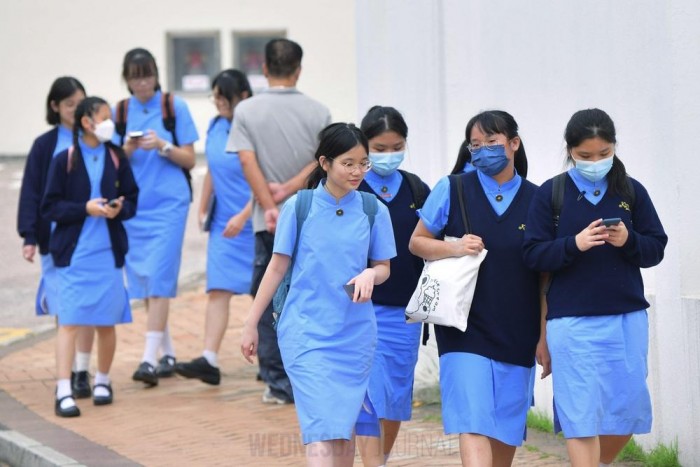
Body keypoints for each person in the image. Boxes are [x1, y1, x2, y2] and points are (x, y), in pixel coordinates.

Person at [241, 123, 396, 467]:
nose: (358, 171)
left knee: (343, 434)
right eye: (348, 163)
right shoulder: (299, 207)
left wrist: (372, 273)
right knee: (322, 432)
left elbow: (383, 266)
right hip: (305, 333)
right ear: (325, 163)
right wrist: (251, 323)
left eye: (363, 163)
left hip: (355, 335)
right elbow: (276, 268)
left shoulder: (374, 211)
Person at [523, 108, 667, 466]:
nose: (595, 162)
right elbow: (534, 255)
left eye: (603, 154)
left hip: (627, 320)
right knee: (580, 417)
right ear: (570, 150)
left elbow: (656, 249)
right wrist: (576, 244)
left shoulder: (631, 191)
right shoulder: (550, 193)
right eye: (585, 156)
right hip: (571, 323)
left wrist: (628, 240)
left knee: (627, 410)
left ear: (614, 147)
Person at [409, 110, 545, 466]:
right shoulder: (452, 189)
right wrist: (454, 247)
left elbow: (546, 276)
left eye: (492, 142)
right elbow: (418, 242)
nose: (483, 150)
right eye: (475, 144)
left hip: (519, 328)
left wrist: (544, 336)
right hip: (462, 327)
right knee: (472, 420)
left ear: (514, 144)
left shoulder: (538, 199)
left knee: (505, 428)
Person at [227, 38, 331, 404]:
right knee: (310, 292)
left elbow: (246, 161)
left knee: (269, 295)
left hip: (266, 220)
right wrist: (289, 190)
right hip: (311, 215)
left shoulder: (246, 111)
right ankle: (308, 373)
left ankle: (278, 382)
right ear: (299, 69)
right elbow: (324, 162)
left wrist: (270, 203)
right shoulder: (319, 112)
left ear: (265, 69)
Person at [41, 96, 138, 417]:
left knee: (106, 322)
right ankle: (63, 389)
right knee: (69, 321)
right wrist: (84, 208)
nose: (111, 122)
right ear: (87, 122)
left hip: (107, 255)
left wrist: (119, 208)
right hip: (74, 256)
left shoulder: (115, 156)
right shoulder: (64, 159)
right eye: (105, 117)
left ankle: (103, 381)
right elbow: (50, 207)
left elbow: (132, 198)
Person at [114, 48, 199, 387]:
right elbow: (110, 161)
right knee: (147, 280)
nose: (142, 83)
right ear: (127, 79)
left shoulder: (173, 107)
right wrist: (127, 150)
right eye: (135, 76)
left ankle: (148, 359)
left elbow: (190, 159)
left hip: (169, 206)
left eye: (147, 74)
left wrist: (163, 146)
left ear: (156, 74)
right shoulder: (119, 111)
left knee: (160, 276)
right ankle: (167, 352)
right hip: (135, 207)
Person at [356, 106, 430, 464]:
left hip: (405, 312)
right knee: (369, 395)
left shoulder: (418, 189)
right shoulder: (352, 187)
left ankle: (380, 458)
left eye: (396, 146)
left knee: (395, 397)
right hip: (359, 309)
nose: (388, 155)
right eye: (379, 148)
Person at [17, 76, 97, 399]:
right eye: (69, 104)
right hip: (56, 240)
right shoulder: (45, 145)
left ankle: (82, 370)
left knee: (89, 305)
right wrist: (29, 236)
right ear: (55, 107)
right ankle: (66, 372)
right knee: (65, 306)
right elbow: (32, 193)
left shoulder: (94, 139)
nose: (76, 110)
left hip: (91, 238)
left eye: (80, 102)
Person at [175, 70, 255, 385]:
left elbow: (266, 179)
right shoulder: (215, 125)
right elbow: (212, 170)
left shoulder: (254, 128)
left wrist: (246, 214)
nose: (219, 103)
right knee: (218, 289)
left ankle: (272, 362)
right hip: (224, 224)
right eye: (216, 97)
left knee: (261, 293)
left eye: (224, 97)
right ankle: (209, 358)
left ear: (243, 97)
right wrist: (204, 202)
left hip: (254, 222)